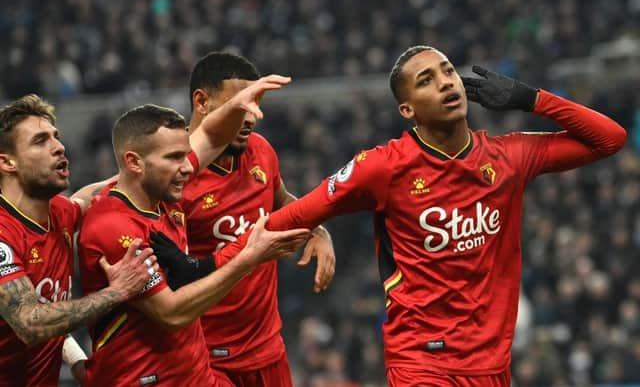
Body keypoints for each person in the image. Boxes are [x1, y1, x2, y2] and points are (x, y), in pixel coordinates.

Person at [159, 46, 627, 386]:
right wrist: (210, 266)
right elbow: (295, 214)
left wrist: (532, 99)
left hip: (491, 364)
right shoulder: (382, 166)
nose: (445, 81)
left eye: (447, 71)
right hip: (422, 363)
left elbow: (610, 139)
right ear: (407, 110)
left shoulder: (509, 157)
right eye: (427, 80)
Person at [77, 77, 312, 386]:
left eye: (185, 155)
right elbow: (172, 314)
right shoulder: (114, 226)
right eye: (175, 158)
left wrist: (237, 104)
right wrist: (249, 258)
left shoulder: (164, 195)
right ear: (134, 162)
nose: (188, 168)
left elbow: (212, 136)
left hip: (196, 376)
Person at [178, 52, 335, 386]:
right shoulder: (173, 176)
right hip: (205, 355)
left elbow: (282, 201)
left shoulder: (260, 150)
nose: (251, 117)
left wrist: (316, 230)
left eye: (257, 103)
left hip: (268, 350)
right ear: (202, 102)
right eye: (241, 104)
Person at [0, 94, 158, 387]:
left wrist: (75, 360)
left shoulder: (59, 213)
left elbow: (94, 194)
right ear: (7, 162)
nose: (59, 147)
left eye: (56, 137)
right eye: (40, 141)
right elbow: (30, 322)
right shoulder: (3, 234)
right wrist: (117, 291)